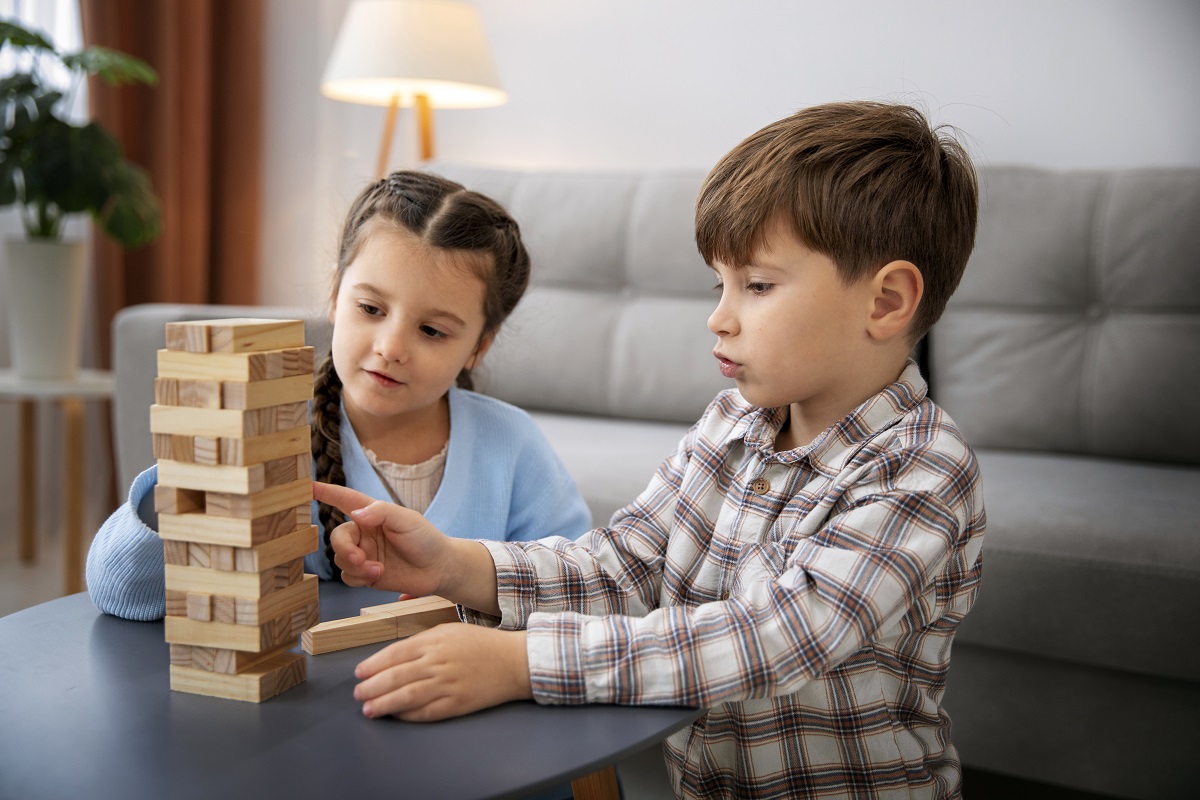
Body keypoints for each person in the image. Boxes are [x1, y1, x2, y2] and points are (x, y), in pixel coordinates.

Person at [315, 101, 987, 800]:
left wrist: (520, 662)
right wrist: (455, 564)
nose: (718, 317)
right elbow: (623, 566)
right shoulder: (732, 423)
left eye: (756, 286)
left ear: (886, 302)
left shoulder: (922, 471)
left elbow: (774, 639)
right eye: (718, 285)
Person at [87, 170, 592, 622]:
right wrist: (187, 478)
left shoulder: (511, 443)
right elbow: (121, 592)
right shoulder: (270, 434)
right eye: (371, 308)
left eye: (432, 331)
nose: (391, 347)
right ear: (334, 296)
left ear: (478, 346)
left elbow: (582, 591)